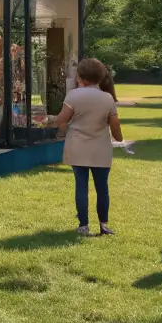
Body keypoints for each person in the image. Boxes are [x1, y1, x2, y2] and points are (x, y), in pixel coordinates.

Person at [56, 57, 123, 237]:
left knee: (81, 186)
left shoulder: (73, 95)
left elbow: (62, 119)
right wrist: (120, 138)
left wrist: (56, 127)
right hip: (100, 148)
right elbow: (115, 125)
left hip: (77, 146)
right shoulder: (107, 98)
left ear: (80, 77)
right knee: (102, 188)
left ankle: (83, 225)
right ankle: (104, 225)